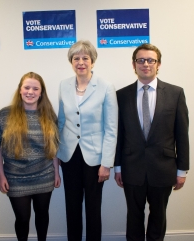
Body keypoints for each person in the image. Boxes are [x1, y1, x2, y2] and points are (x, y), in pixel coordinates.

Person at [114, 43, 189, 241]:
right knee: (134, 217)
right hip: (131, 168)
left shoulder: (175, 94)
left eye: (150, 60)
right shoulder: (121, 96)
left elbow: (182, 135)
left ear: (158, 64)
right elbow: (119, 134)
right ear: (134, 65)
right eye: (141, 60)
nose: (145, 64)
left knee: (158, 217)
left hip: (163, 169)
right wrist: (118, 167)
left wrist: (182, 170)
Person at [57, 40, 118, 241]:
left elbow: (111, 128)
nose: (81, 62)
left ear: (92, 61)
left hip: (95, 159)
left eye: (85, 58)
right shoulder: (64, 85)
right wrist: (56, 156)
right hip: (69, 156)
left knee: (93, 208)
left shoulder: (106, 87)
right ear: (71, 61)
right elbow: (61, 121)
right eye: (76, 58)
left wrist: (106, 163)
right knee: (71, 207)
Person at [0, 72, 61, 241]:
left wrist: (56, 172)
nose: (31, 91)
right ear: (20, 90)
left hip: (44, 176)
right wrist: (1, 175)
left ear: (41, 92)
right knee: (22, 219)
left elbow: (54, 147)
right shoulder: (5, 114)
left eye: (35, 88)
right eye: (27, 87)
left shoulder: (49, 115)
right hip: (15, 177)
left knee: (42, 215)